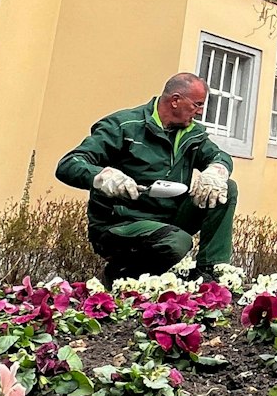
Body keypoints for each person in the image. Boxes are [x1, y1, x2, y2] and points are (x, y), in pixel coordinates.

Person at [57, 73, 237, 281]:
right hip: (120, 223)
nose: (200, 112)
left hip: (169, 222)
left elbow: (219, 156)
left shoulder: (191, 134)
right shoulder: (124, 126)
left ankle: (209, 272)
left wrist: (216, 170)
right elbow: (69, 164)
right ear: (175, 100)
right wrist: (102, 176)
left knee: (226, 188)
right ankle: (121, 276)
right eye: (197, 105)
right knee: (177, 242)